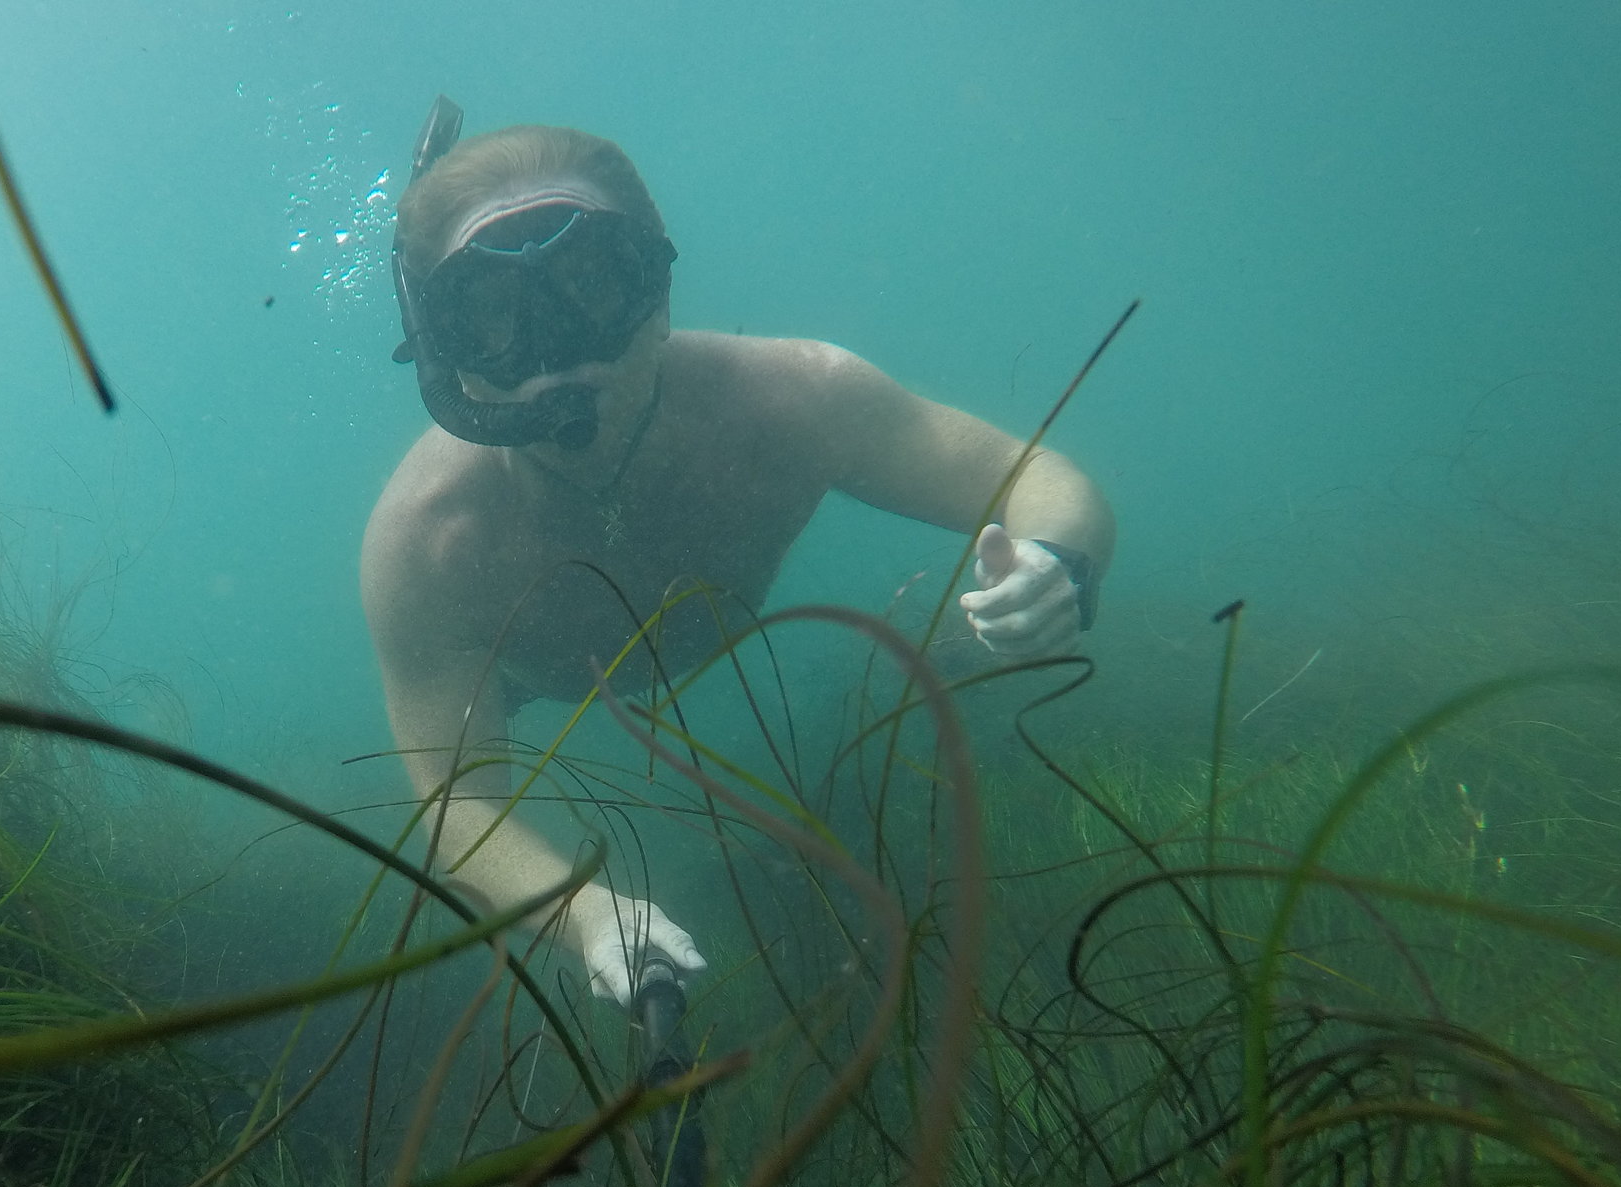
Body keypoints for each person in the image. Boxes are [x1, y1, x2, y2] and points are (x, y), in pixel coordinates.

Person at [360, 99, 1117, 1004]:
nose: (555, 352)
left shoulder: (797, 402)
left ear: (660, 292)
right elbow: (455, 803)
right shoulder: (430, 542)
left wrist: (1058, 560)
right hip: (534, 678)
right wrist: (584, 914)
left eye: (595, 285)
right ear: (449, 359)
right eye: (489, 315)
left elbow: (1030, 474)